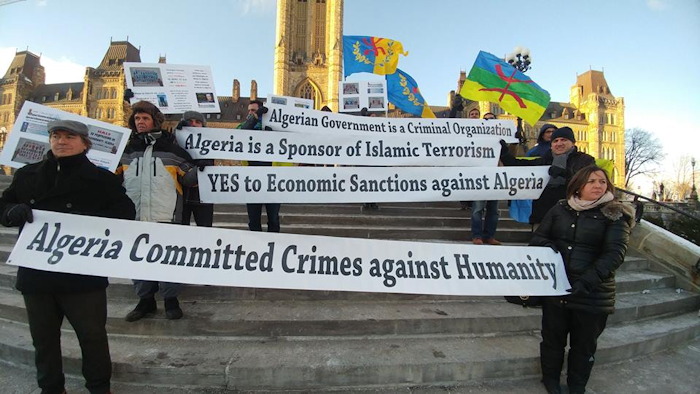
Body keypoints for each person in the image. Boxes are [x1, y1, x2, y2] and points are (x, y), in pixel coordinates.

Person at [0, 120, 136, 394]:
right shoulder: (27, 175)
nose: (61, 141)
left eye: (69, 136)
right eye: (56, 136)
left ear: (85, 144)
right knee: (43, 339)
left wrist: (89, 223)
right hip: (36, 273)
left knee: (92, 337)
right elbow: (3, 205)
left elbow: (126, 214)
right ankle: (50, 388)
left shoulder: (102, 179)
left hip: (82, 274)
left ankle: (99, 387)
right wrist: (11, 211)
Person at [530, 166, 634, 394]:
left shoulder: (615, 214)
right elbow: (539, 238)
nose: (598, 185)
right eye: (592, 181)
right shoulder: (559, 209)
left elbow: (614, 254)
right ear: (579, 185)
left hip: (592, 294)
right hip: (556, 290)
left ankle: (577, 386)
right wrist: (551, 250)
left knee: (584, 346)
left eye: (602, 181)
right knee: (552, 340)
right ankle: (550, 380)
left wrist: (586, 281)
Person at [117, 100, 198, 321]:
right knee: (138, 259)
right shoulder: (127, 151)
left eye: (145, 118)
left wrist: (201, 168)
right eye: (137, 118)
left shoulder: (172, 151)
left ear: (155, 121)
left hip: (167, 216)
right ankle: (145, 301)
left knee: (169, 260)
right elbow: (109, 179)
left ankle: (171, 299)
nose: (140, 122)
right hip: (135, 215)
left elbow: (190, 179)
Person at [500, 127, 595, 225]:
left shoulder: (585, 160)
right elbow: (517, 165)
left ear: (573, 143)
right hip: (543, 215)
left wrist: (565, 173)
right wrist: (504, 152)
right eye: (555, 141)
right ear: (551, 145)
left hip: (573, 215)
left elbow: (590, 181)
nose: (559, 144)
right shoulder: (544, 160)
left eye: (564, 140)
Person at [239, 99, 281, 232]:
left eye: (254, 110)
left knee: (273, 218)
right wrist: (255, 118)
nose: (250, 113)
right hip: (252, 180)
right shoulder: (245, 126)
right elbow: (241, 134)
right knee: (253, 218)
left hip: (273, 181)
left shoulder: (274, 128)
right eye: (249, 110)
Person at [176, 111, 215, 227]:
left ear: (203, 126)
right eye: (189, 121)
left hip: (202, 197)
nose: (193, 124)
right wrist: (176, 131)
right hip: (180, 197)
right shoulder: (175, 141)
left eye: (197, 122)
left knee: (205, 232)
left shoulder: (211, 144)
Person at [471, 112, 501, 245]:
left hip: (495, 176)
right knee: (478, 208)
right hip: (480, 175)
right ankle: (477, 235)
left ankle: (489, 236)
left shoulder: (501, 138)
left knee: (493, 209)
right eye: (486, 119)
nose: (489, 121)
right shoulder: (478, 137)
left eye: (492, 119)